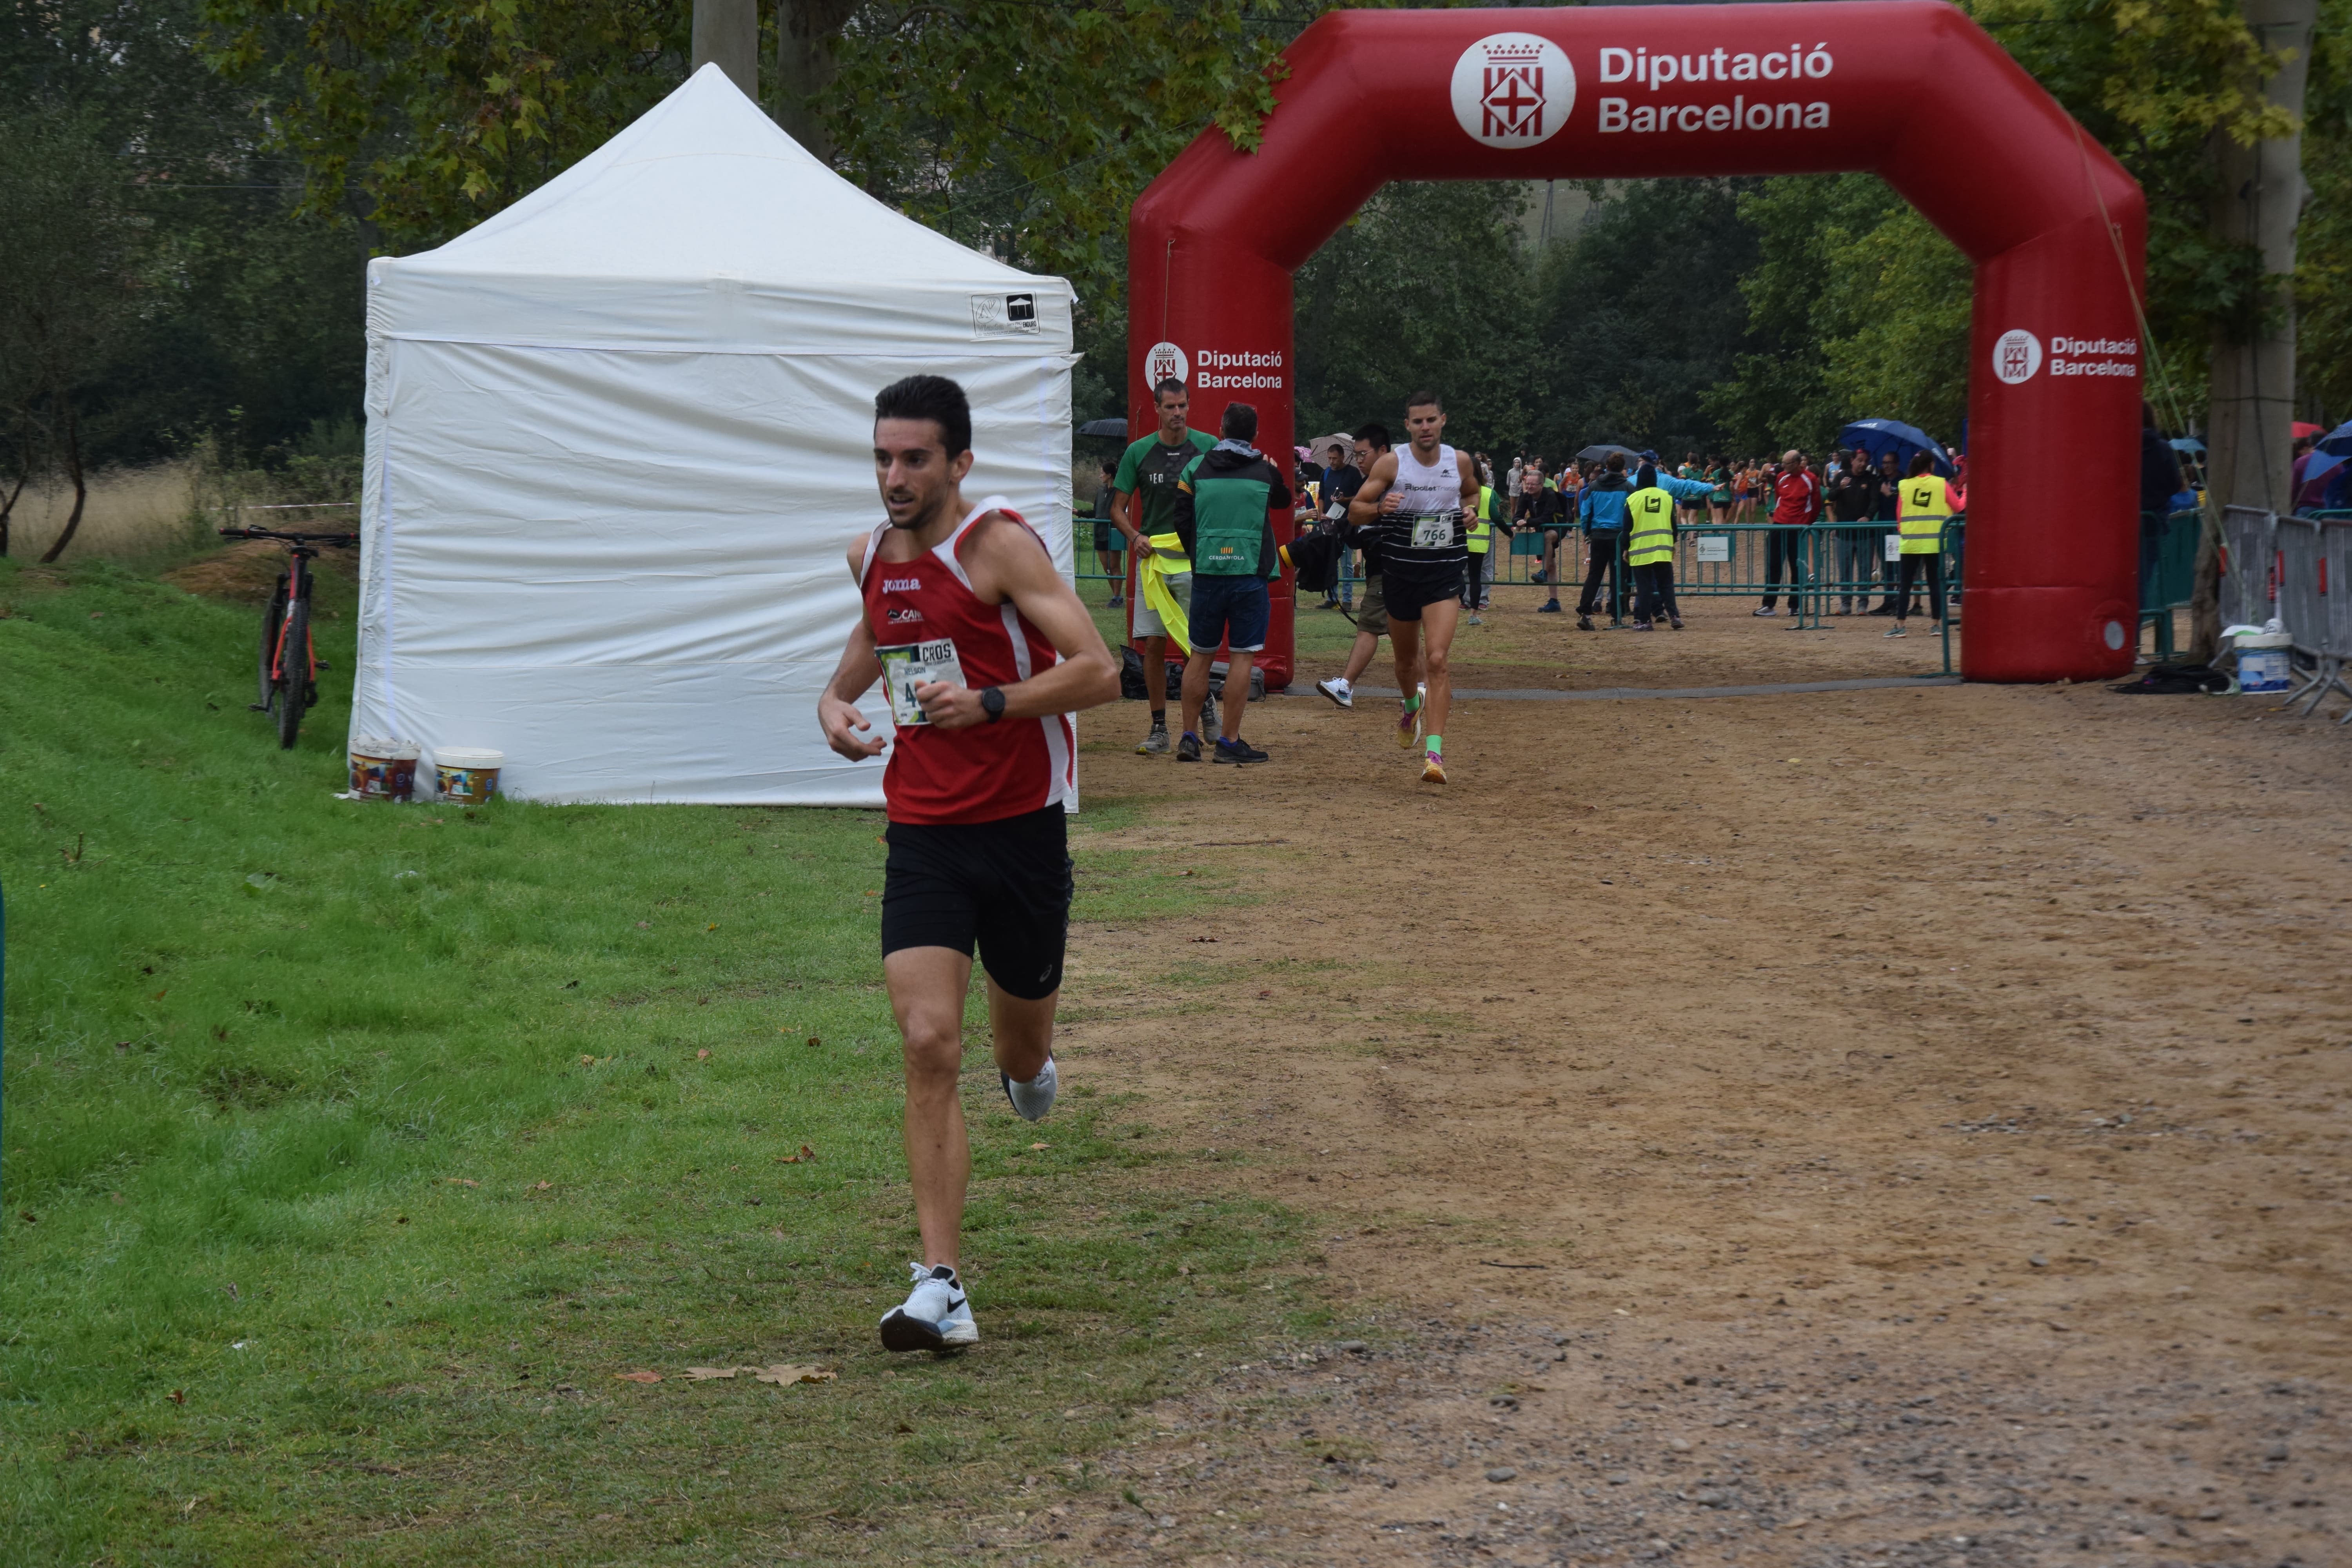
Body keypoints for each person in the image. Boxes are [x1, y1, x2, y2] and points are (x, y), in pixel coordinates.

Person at [818, 374, 1122, 1352]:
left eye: (914, 458)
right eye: (882, 456)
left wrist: (988, 705)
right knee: (925, 1040)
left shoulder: (996, 542)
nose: (894, 476)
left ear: (959, 462)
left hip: (1022, 831)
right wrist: (833, 701)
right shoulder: (869, 554)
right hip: (925, 833)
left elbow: (1098, 669)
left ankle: (1031, 1066)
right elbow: (879, 632)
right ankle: (940, 1283)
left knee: (1016, 1052)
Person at [1348, 391, 1479, 784]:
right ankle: (1411, 706)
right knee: (1406, 663)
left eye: (1431, 420)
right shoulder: (1392, 463)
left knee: (1437, 659)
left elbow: (1472, 491)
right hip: (1401, 575)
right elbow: (1356, 509)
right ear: (1407, 425)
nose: (1425, 427)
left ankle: (1435, 756)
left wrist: (1471, 509)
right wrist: (1379, 509)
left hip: (1444, 575)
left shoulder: (1459, 462)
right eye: (1417, 421)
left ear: (1443, 421)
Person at [1171, 401, 1289, 764]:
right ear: (1254, 434)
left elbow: (1181, 520)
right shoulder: (1264, 472)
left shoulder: (1195, 467)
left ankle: (1189, 736)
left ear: (1221, 430)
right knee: (1242, 658)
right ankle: (1229, 741)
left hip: (1208, 572)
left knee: (1200, 657)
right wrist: (1275, 470)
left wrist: (1202, 553)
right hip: (1249, 576)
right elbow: (1285, 501)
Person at [1111, 379, 1216, 753]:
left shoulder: (1207, 447)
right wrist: (1135, 536)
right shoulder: (1139, 452)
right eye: (1170, 407)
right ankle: (1159, 728)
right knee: (1153, 646)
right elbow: (1116, 508)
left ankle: (1206, 709)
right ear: (1156, 409)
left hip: (1193, 562)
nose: (1178, 413)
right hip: (1153, 563)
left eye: (1183, 406)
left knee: (1194, 646)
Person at [1314, 423, 1396, 710]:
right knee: (1403, 633)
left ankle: (1346, 685)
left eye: (1364, 454)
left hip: (1389, 568)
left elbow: (1380, 527)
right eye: (1357, 455)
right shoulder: (1373, 483)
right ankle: (1428, 686)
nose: (1359, 460)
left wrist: (1359, 528)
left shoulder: (1389, 484)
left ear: (1383, 451)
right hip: (1386, 567)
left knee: (1369, 626)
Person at [1623, 461, 1713, 630]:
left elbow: (1627, 527)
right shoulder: (1666, 497)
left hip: (1641, 550)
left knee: (1644, 587)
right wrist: (1672, 545)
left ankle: (1644, 621)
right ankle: (1675, 616)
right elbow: (1673, 525)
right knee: (1666, 586)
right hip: (1663, 549)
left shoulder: (1633, 499)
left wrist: (1626, 548)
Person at [1886, 452, 1953, 638]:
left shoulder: (1905, 485)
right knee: (1935, 584)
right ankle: (1936, 625)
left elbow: (1899, 515)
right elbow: (1958, 506)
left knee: (1905, 585)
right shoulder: (1941, 483)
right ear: (1931, 464)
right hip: (1934, 542)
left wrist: (1904, 531)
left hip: (1911, 542)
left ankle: (1900, 626)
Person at [1756, 448, 1819, 622]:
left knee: (1797, 567)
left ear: (1798, 464)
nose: (1783, 466)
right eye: (1783, 463)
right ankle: (1769, 605)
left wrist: (1805, 523)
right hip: (1779, 525)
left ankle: (1795, 605)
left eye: (1787, 464)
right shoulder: (1782, 478)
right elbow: (1779, 500)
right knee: (1773, 565)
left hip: (1798, 528)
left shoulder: (1811, 479)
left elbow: (1815, 504)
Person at [1573, 452, 1634, 628]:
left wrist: (1587, 533)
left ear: (1607, 467)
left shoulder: (1594, 486)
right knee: (1618, 577)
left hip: (1598, 535)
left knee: (1594, 575)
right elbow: (1632, 514)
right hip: (1618, 537)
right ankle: (1616, 615)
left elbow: (1585, 512)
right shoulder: (1628, 487)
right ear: (1623, 469)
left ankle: (1585, 612)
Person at [1825, 450, 1880, 615]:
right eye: (1860, 460)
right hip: (1844, 533)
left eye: (1866, 461)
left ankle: (1863, 604)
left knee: (1865, 569)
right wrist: (1840, 488)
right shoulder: (1841, 476)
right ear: (1852, 460)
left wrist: (1868, 516)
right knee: (1845, 569)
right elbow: (1829, 498)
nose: (1863, 464)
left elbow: (1875, 501)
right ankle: (1845, 603)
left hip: (1865, 534)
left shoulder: (1871, 479)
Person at [1869, 450, 1906, 615]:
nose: (1886, 466)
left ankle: (1899, 601)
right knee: (1887, 566)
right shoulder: (1879, 480)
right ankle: (1888, 600)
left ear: (1897, 464)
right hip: (1882, 528)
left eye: (1889, 463)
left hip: (1896, 528)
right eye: (1884, 463)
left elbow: (1903, 504)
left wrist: (1889, 495)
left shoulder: (1904, 481)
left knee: (1898, 566)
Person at [1089, 455, 1123, 607]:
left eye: (1102, 473)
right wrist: (1079, 513)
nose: (1100, 475)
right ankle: (1115, 596)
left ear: (1109, 475)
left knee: (1115, 566)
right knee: (1107, 568)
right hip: (1100, 533)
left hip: (1115, 532)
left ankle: (1117, 597)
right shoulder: (1100, 491)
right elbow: (1095, 511)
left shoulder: (1120, 492)